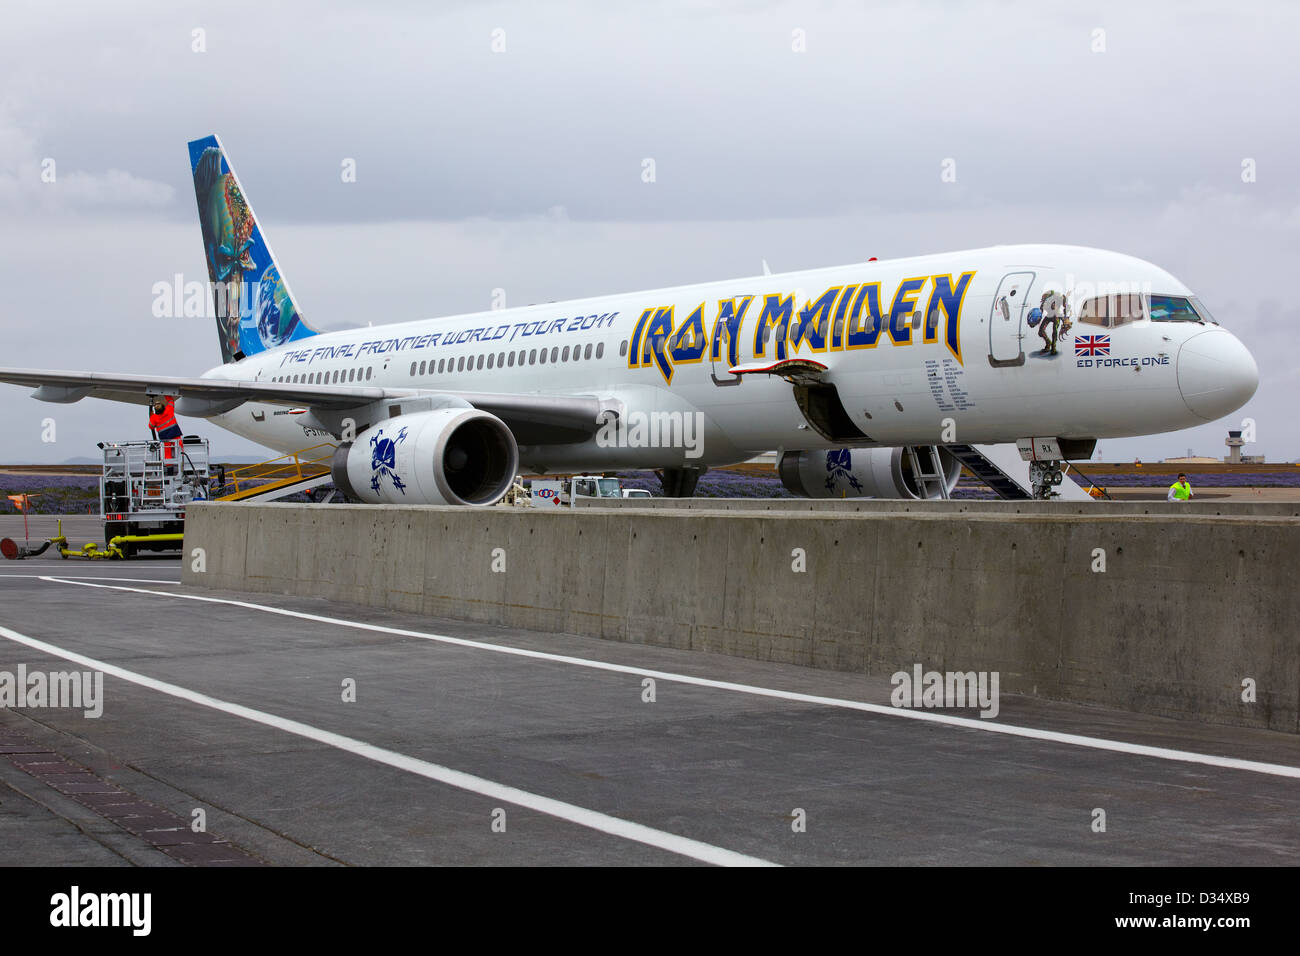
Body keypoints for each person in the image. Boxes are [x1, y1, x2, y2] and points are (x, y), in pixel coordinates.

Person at [148, 396, 184, 471]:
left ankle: (170, 470)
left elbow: (151, 427)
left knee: (167, 454)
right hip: (175, 435)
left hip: (165, 439)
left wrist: (151, 416)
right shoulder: (169, 410)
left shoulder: (154, 417)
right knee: (180, 450)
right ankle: (182, 466)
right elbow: (171, 400)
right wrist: (165, 393)